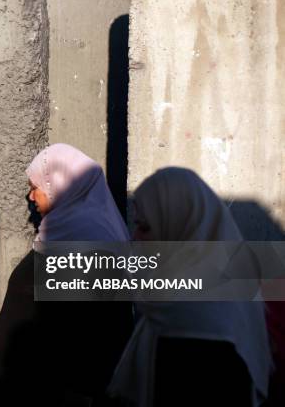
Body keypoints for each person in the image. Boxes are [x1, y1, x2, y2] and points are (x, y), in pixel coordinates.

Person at [109, 167, 271, 407]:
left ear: (178, 227)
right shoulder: (177, 295)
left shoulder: (195, 313)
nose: (135, 238)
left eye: (145, 227)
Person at [0, 143, 133, 406]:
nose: (31, 197)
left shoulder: (80, 243)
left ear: (58, 185)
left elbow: (90, 335)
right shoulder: (76, 234)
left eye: (35, 187)